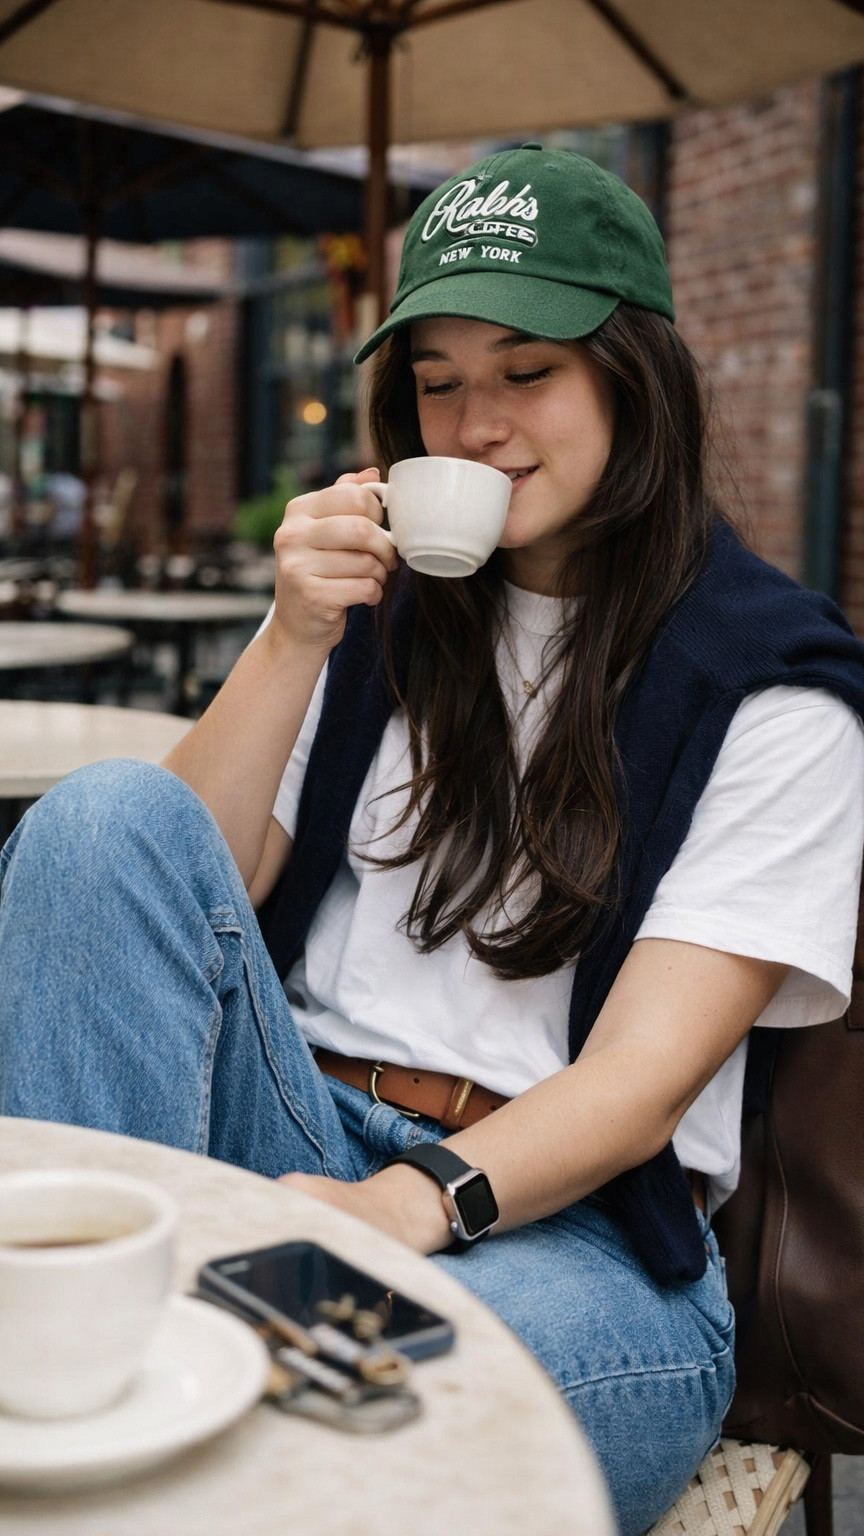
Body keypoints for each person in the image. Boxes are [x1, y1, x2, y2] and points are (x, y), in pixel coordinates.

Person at [2, 144, 864, 1533]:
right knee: (101, 816)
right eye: (439, 378)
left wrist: (408, 1203)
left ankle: (118, 1374)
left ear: (632, 379)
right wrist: (292, 636)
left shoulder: (770, 684)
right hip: (288, 1126)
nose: (474, 423)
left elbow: (642, 1085)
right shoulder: (381, 611)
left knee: (302, 1405)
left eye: (528, 370)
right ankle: (72, 1316)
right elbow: (185, 878)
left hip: (571, 1240)